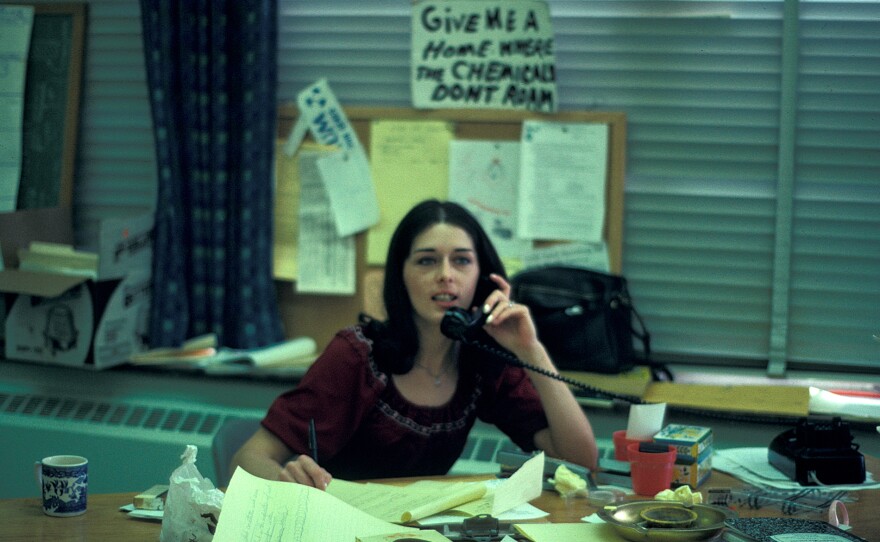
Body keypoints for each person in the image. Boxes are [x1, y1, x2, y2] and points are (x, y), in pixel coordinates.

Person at [231, 199, 598, 489]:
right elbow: (246, 460)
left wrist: (531, 349)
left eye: (462, 261)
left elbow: (580, 463)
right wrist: (288, 483)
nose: (445, 275)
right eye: (426, 261)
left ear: (483, 279)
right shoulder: (357, 356)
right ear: (401, 276)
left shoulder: (479, 361)